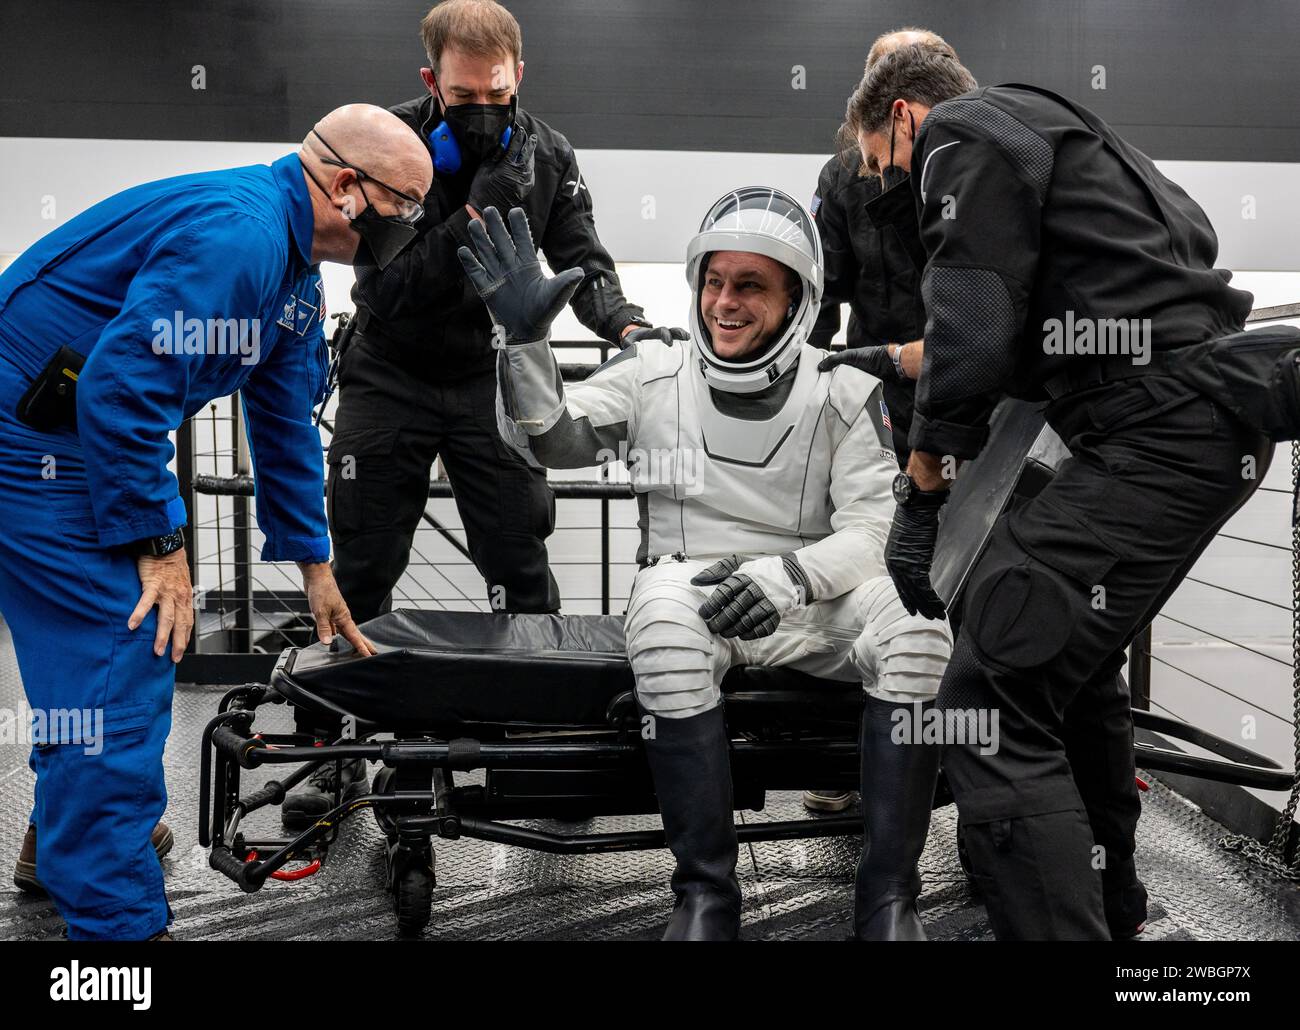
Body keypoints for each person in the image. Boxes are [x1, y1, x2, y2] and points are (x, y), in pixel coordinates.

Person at [844, 46, 1271, 939]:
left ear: (905, 120)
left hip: (1152, 435)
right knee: (1069, 681)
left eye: (887, 172)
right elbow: (1087, 304)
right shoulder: (1075, 136)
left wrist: (920, 497)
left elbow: (972, 311)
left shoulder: (959, 134)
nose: (891, 192)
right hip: (1190, 419)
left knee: (985, 698)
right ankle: (1114, 912)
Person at [457, 197, 953, 940]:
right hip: (692, 586)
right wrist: (524, 343)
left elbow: (877, 527)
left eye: (751, 285)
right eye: (714, 281)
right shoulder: (653, 370)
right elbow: (552, 443)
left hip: (809, 591)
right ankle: (705, 900)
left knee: (920, 625)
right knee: (660, 624)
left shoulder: (845, 386)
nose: (724, 302)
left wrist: (788, 578)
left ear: (799, 300)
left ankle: (889, 902)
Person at [0, 103, 427, 939]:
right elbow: (122, 390)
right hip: (35, 440)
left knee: (90, 672)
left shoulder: (294, 275)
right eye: (404, 206)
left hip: (71, 434)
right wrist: (160, 546)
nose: (409, 228)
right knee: (126, 654)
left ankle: (62, 839)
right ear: (345, 185)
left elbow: (283, 420)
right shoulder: (241, 240)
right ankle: (118, 939)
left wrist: (315, 567)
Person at [297, 0, 672, 827]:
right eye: (465, 95)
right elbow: (392, 284)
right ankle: (329, 753)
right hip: (387, 372)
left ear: (519, 77)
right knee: (359, 567)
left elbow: (586, 262)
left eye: (496, 93)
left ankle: (539, 743)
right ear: (433, 82)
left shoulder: (549, 155)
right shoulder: (388, 148)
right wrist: (481, 201)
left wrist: (630, 325)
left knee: (520, 561)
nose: (483, 108)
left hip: (485, 378)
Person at [804, 26, 960, 815]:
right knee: (865, 576)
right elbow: (821, 291)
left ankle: (966, 778)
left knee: (966, 583)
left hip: (962, 394)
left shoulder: (969, 169)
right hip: (876, 399)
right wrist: (802, 382)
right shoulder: (842, 178)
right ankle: (849, 761)